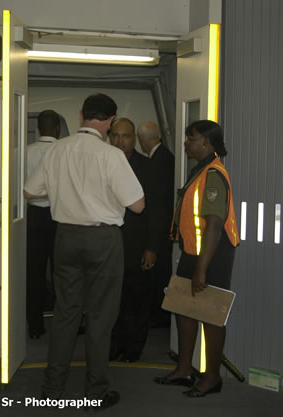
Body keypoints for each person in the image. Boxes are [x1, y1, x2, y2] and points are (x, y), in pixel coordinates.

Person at [24, 94, 145, 410]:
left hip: (65, 237)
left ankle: (52, 389)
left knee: (65, 314)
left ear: (81, 115)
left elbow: (30, 190)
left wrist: (66, 190)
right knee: (101, 316)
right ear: (109, 121)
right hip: (103, 240)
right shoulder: (111, 155)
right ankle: (96, 390)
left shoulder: (56, 151)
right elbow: (138, 204)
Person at [153, 120, 239, 397]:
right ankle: (184, 369)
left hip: (211, 258)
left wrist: (202, 270)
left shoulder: (213, 174)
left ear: (206, 142)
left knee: (211, 318)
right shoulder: (200, 170)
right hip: (192, 253)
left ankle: (212, 377)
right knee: (183, 308)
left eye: (190, 138)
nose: (186, 143)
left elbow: (214, 224)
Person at [108, 118, 154, 362]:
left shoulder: (146, 167)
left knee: (137, 298)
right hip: (110, 243)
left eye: (125, 136)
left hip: (138, 244)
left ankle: (134, 347)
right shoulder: (103, 162)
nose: (119, 140)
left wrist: (152, 247)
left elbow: (157, 211)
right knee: (113, 300)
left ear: (134, 138)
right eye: (115, 135)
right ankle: (115, 345)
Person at [25, 110, 61, 339]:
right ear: (57, 128)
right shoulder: (64, 151)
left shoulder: (24, 152)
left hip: (34, 218)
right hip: (60, 216)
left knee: (34, 274)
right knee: (63, 273)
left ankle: (35, 326)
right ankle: (64, 324)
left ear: (38, 129)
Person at [136, 121, 175, 328]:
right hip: (163, 226)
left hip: (160, 228)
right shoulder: (165, 157)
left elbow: (158, 201)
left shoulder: (158, 162)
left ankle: (159, 317)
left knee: (160, 275)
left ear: (141, 140)